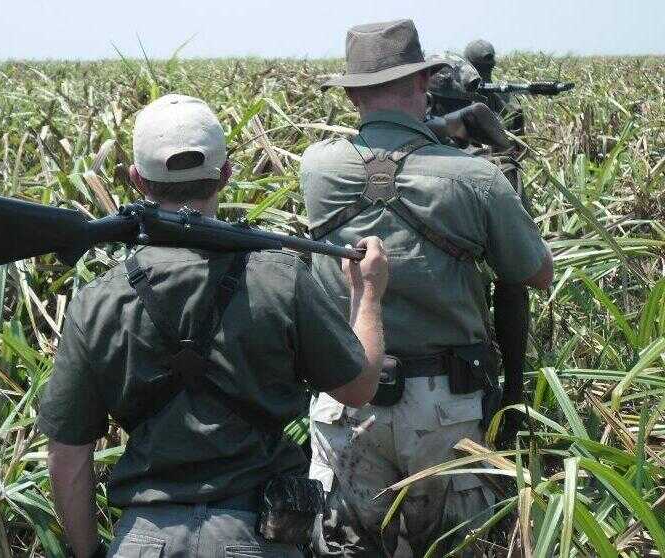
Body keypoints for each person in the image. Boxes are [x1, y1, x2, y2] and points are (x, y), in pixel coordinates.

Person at [37, 93, 389, 558]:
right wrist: (368, 296)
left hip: (144, 541)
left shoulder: (95, 301)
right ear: (225, 173)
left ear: (136, 180)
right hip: (258, 538)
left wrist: (87, 555)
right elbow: (358, 387)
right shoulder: (280, 279)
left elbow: (67, 457)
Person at [301, 20, 553, 557]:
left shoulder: (316, 168)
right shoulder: (474, 178)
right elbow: (535, 273)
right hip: (444, 409)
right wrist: (492, 152)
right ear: (426, 81)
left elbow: (384, 160)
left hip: (346, 399)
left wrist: (442, 130)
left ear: (349, 94)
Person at [463, 39, 524, 135]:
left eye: (487, 67)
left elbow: (517, 140)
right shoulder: (459, 95)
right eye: (481, 68)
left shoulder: (504, 97)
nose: (484, 73)